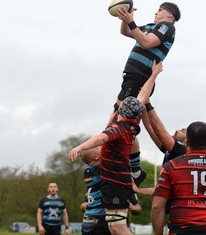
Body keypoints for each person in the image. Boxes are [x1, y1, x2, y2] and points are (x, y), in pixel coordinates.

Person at [68, 61, 162, 235]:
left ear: (121, 113)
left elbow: (99, 139)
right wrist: (154, 74)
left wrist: (79, 147)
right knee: (115, 228)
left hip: (115, 184)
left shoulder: (117, 130)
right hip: (120, 182)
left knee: (118, 229)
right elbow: (142, 97)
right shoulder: (132, 126)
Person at [109, 0, 181, 186]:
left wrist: (132, 22)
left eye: (160, 10)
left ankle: (132, 168)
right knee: (117, 121)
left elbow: (148, 43)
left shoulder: (167, 27)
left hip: (141, 78)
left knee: (121, 123)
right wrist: (126, 19)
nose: (156, 12)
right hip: (131, 77)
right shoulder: (151, 26)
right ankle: (134, 168)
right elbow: (126, 31)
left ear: (169, 15)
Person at [79, 147, 141, 235]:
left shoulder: (89, 171)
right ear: (95, 157)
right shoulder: (99, 170)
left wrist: (134, 208)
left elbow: (138, 208)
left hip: (88, 221)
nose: (103, 148)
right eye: (99, 148)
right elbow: (117, 161)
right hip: (101, 221)